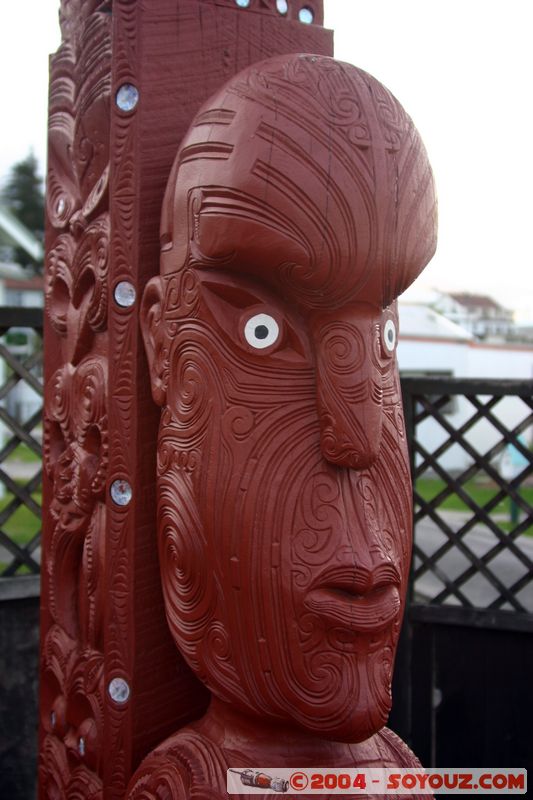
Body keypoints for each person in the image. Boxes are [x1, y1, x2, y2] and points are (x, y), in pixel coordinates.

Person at [132, 53, 437, 798]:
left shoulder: (396, 770)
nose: (355, 437)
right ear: (161, 343)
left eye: (383, 334)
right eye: (262, 328)